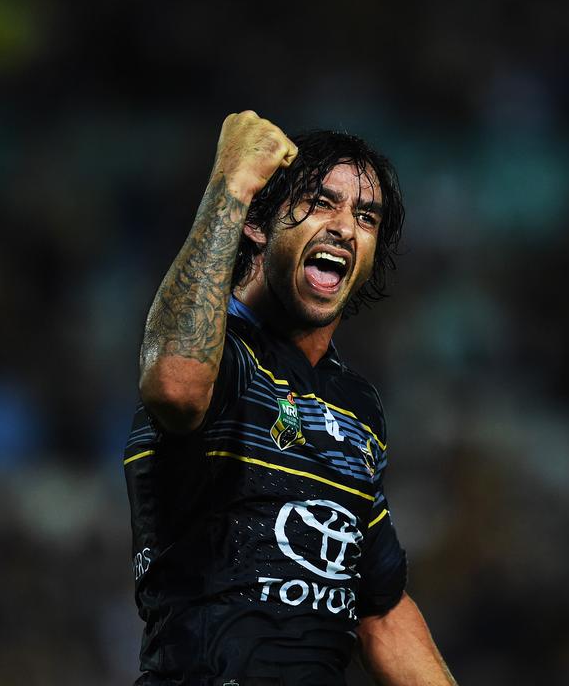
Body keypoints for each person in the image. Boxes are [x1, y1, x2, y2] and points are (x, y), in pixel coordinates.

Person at [124, 110, 456, 686]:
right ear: (258, 223)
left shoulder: (358, 406)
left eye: (366, 216)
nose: (344, 228)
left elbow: (380, 610)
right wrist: (230, 183)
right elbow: (174, 386)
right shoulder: (218, 356)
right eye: (321, 203)